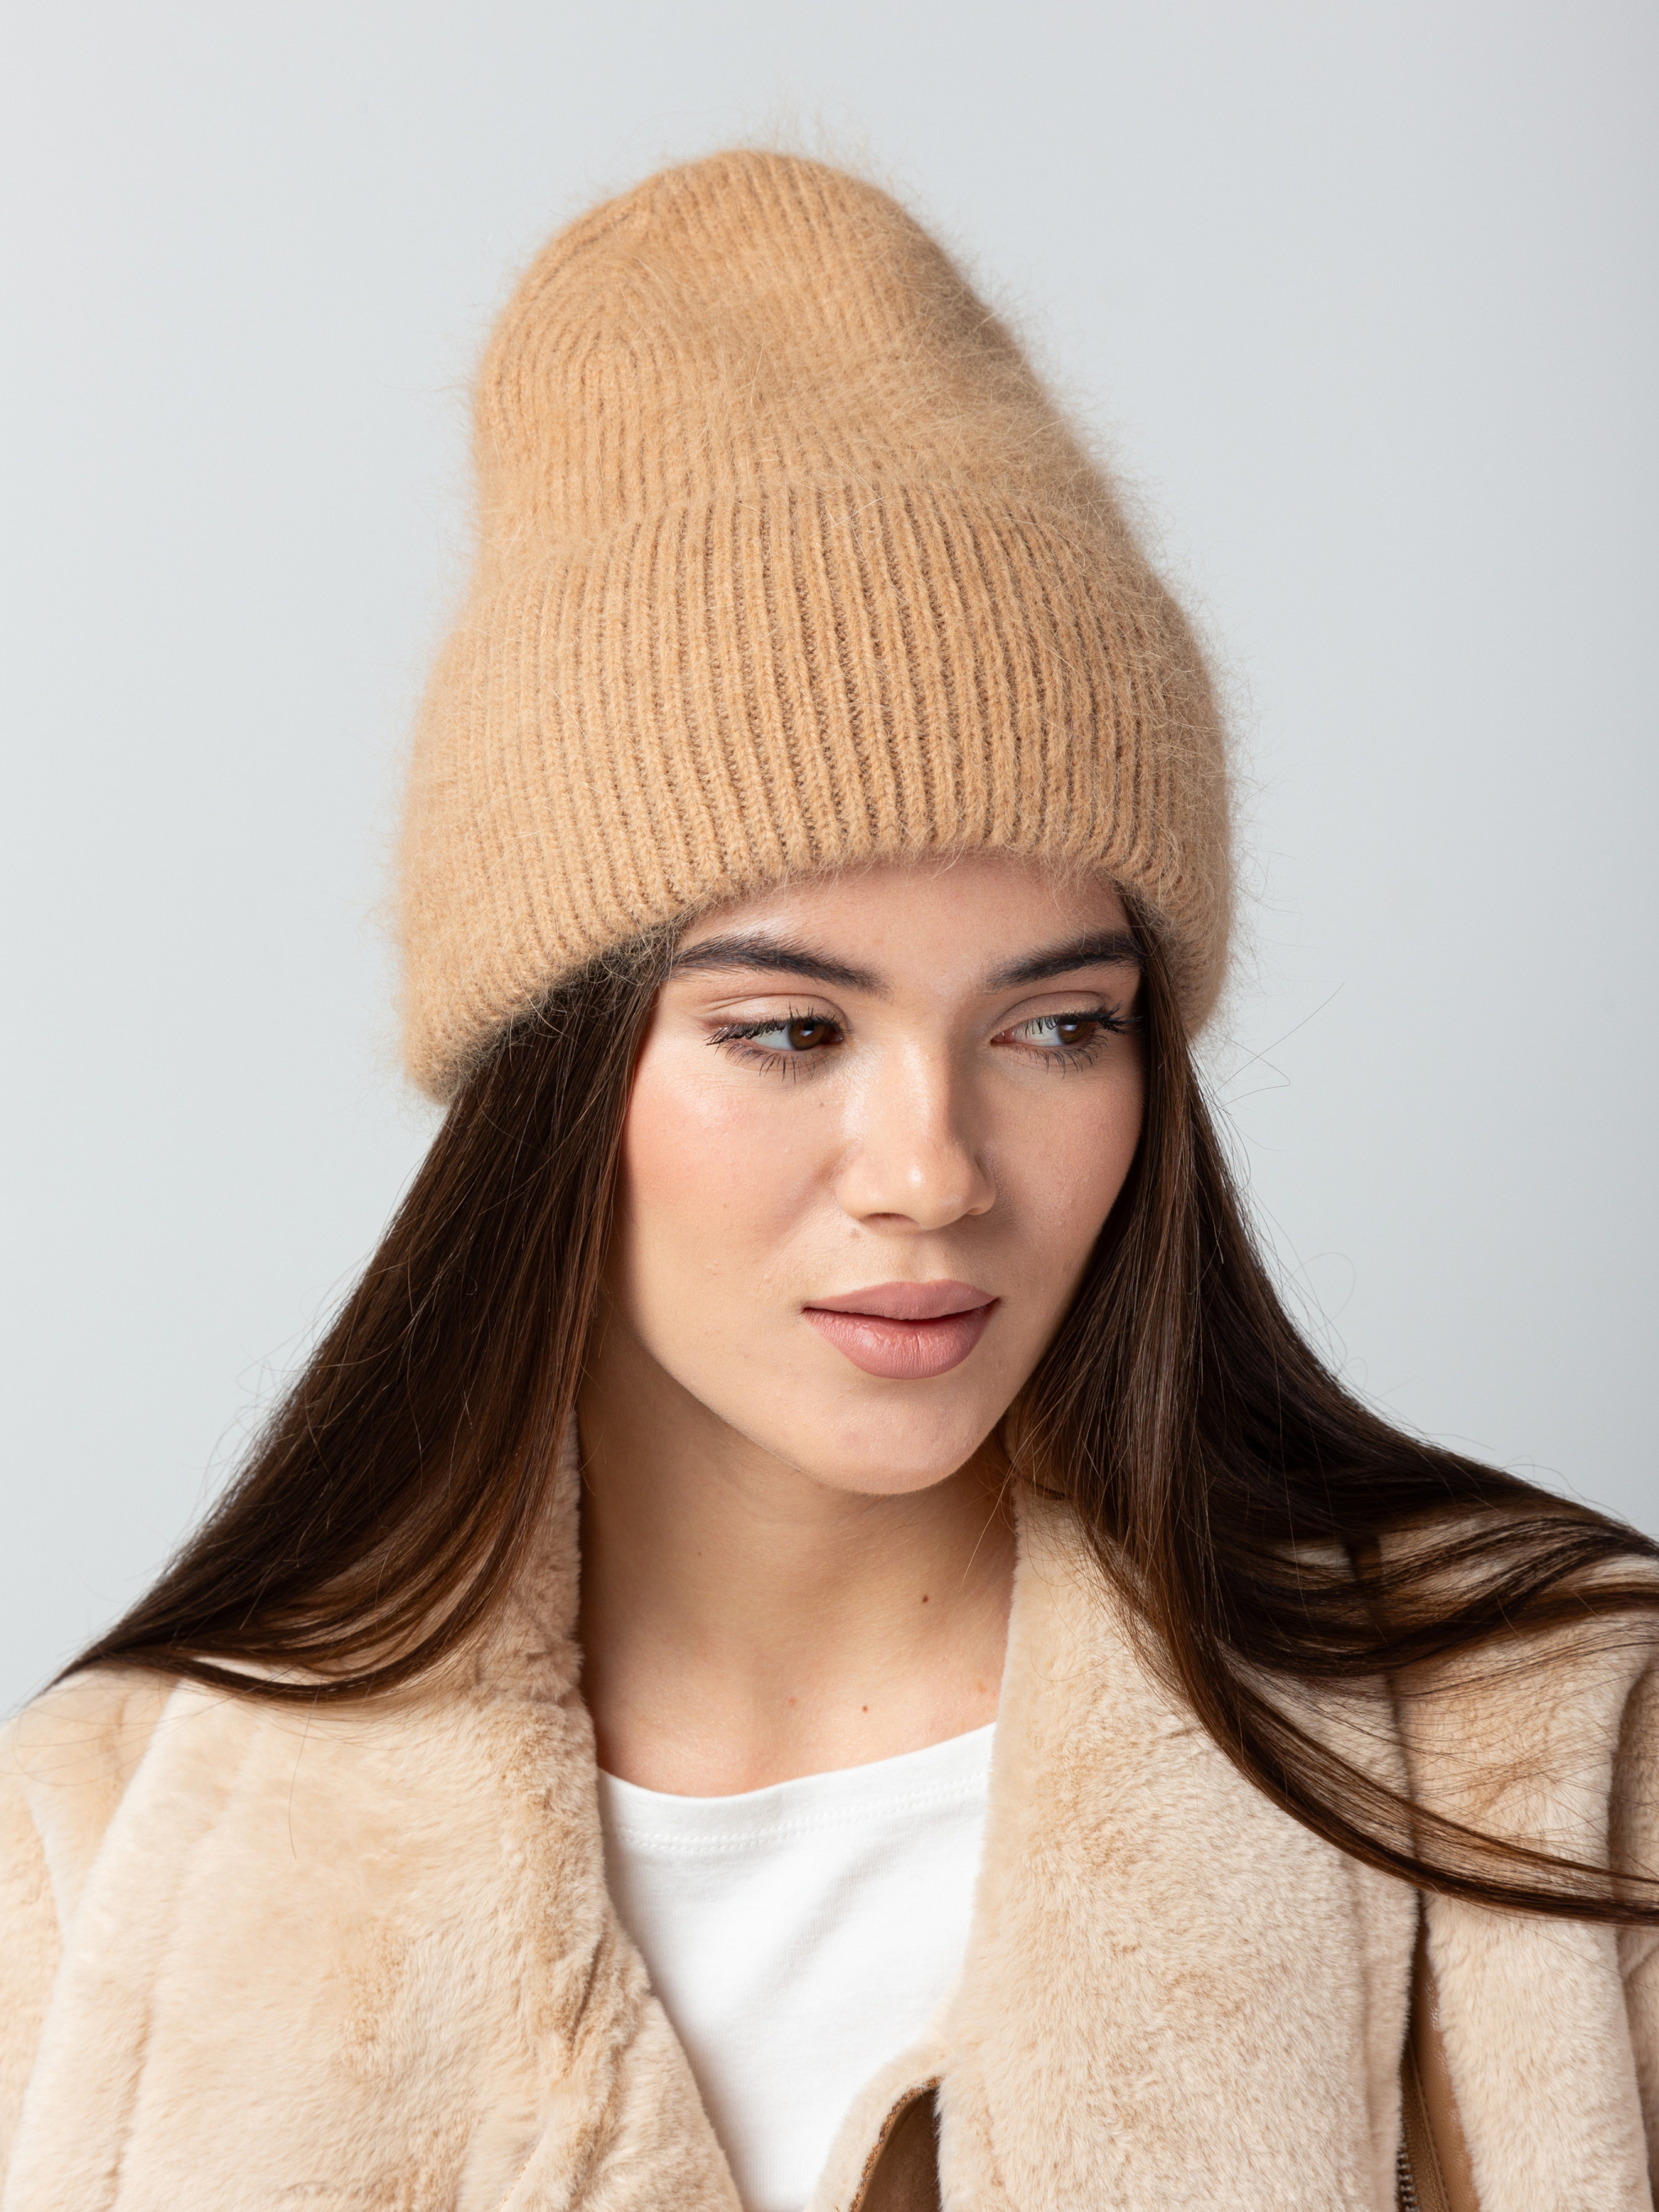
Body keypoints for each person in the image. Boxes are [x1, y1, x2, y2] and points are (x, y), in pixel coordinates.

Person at [1, 150, 1653, 2212]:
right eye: (788, 1030)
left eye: (1055, 1026)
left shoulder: (1553, 1751)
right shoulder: (104, 1846)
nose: (931, 1170)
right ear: (551, 1079)